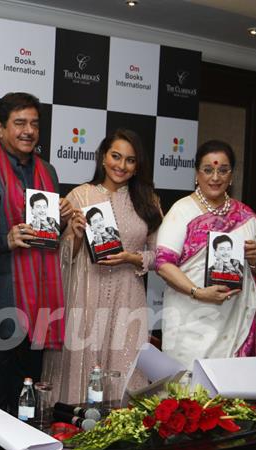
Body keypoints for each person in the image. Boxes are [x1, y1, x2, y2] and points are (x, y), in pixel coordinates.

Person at [42, 129, 161, 404]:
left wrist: (134, 258)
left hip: (128, 298)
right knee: (81, 365)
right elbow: (61, 257)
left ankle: (122, 438)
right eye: (115, 156)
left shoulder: (149, 202)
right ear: (103, 158)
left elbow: (160, 257)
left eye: (130, 160)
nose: (121, 165)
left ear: (137, 165)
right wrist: (75, 233)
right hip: (85, 294)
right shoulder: (80, 196)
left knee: (125, 363)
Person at [0, 92, 72, 412]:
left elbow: (48, 237)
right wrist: (5, 239)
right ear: (0, 128)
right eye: (19, 123)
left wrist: (64, 220)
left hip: (41, 300)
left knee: (28, 395)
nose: (28, 130)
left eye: (34, 123)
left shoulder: (49, 172)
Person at [155, 139, 256, 369]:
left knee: (230, 393)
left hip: (235, 323)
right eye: (208, 170)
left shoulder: (246, 216)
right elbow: (163, 264)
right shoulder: (182, 210)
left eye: (222, 170)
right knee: (189, 395)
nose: (215, 177)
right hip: (190, 321)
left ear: (231, 176)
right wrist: (198, 292)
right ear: (197, 174)